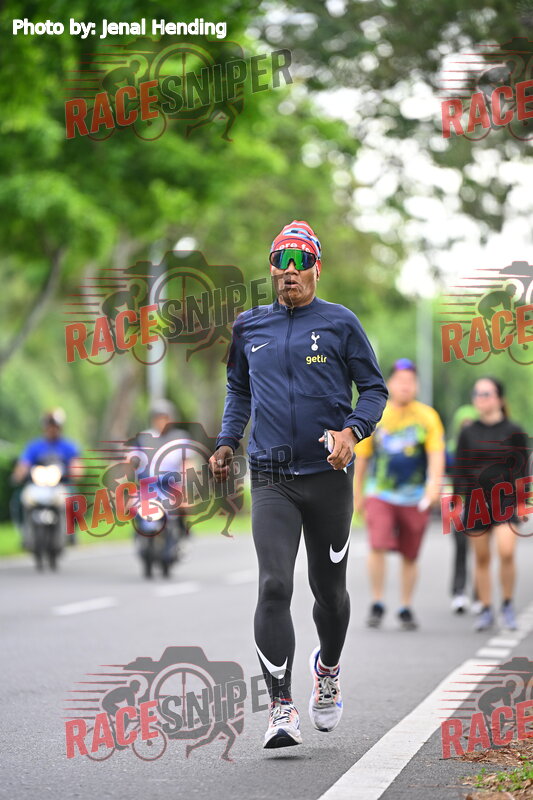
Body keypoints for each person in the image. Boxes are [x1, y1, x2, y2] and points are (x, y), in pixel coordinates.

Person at [209, 220, 387, 749]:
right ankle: (281, 706)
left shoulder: (340, 322)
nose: (290, 271)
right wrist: (226, 441)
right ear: (271, 269)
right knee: (273, 586)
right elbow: (238, 390)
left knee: (329, 594)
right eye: (280, 260)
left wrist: (352, 432)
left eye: (300, 260)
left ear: (316, 268)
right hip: (271, 476)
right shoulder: (249, 327)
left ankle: (327, 669)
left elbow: (373, 390)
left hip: (328, 476)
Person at [354, 359, 445, 631]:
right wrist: (357, 493)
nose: (406, 386)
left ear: (416, 386)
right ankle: (377, 601)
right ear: (390, 384)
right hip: (380, 493)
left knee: (410, 553)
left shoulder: (427, 417)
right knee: (377, 544)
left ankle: (405, 606)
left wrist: (434, 486)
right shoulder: (376, 415)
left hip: (415, 496)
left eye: (411, 381)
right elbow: (362, 458)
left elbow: (436, 454)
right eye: (401, 380)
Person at [453, 377, 529, 632]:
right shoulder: (467, 431)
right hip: (476, 501)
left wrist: (523, 502)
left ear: (499, 398)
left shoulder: (514, 431)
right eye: (477, 393)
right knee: (482, 557)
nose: (480, 398)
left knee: (506, 552)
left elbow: (522, 469)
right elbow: (459, 469)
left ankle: (507, 604)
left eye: (486, 393)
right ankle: (486, 609)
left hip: (505, 499)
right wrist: (456, 502)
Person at [12, 409, 81, 547]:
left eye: (55, 426)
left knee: (74, 499)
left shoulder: (68, 446)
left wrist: (76, 472)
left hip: (61, 483)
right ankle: (24, 532)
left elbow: (76, 464)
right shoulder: (34, 446)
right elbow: (24, 464)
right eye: (49, 426)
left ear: (60, 428)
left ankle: (72, 531)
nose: (52, 429)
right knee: (18, 499)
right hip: (38, 484)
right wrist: (18, 475)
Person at [447, 404, 479, 614]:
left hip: (481, 504)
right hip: (458, 503)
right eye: (463, 423)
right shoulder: (450, 449)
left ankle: (479, 595)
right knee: (460, 547)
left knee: (480, 551)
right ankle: (459, 591)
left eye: (471, 422)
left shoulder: (484, 447)